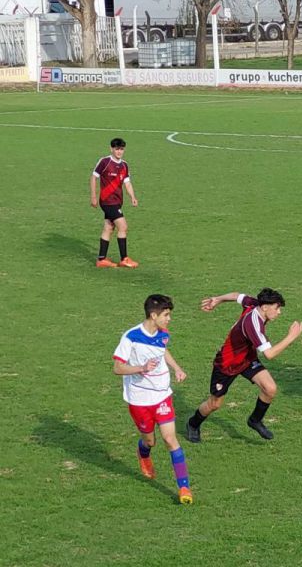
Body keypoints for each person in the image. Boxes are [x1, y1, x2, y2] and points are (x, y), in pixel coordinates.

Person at [185, 289, 302, 443]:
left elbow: (236, 296)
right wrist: (291, 337)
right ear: (265, 307)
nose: (279, 312)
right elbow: (269, 354)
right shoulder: (252, 324)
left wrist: (218, 299)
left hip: (246, 359)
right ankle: (193, 424)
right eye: (277, 307)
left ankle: (255, 420)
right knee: (215, 404)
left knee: (270, 388)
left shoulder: (254, 304)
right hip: (227, 364)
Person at [113, 294, 192, 504]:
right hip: (139, 399)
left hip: (162, 394)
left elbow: (162, 351)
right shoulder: (130, 338)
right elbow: (117, 367)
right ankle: (144, 453)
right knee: (150, 440)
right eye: (166, 315)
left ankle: (184, 487)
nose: (169, 319)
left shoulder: (163, 334)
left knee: (170, 439)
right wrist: (140, 368)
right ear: (153, 314)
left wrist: (177, 368)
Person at [90, 138, 139, 268]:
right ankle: (124, 258)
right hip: (107, 201)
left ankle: (101, 259)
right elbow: (94, 177)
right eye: (117, 149)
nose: (119, 152)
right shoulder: (105, 162)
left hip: (117, 201)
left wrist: (132, 197)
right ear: (111, 149)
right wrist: (93, 196)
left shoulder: (124, 165)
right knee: (123, 227)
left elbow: (127, 183)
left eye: (121, 149)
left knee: (109, 227)